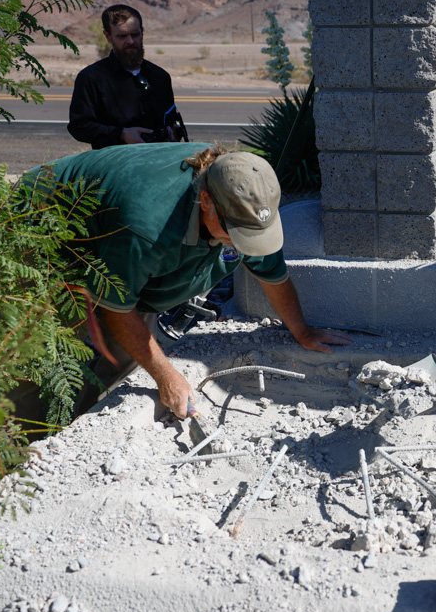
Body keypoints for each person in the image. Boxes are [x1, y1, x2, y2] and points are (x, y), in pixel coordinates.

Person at [25, 142, 352, 419]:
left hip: (118, 248)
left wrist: (303, 332)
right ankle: (10, 455)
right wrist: (166, 375)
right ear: (206, 202)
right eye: (235, 235)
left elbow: (273, 277)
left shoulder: (246, 204)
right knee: (43, 355)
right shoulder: (146, 227)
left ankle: (82, 420)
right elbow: (118, 309)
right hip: (42, 229)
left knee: (125, 356)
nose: (243, 246)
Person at [68, 4, 180, 149]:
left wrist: (173, 134)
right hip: (113, 165)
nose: (131, 42)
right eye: (122, 36)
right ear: (108, 36)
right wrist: (121, 134)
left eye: (135, 34)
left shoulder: (160, 77)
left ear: (142, 33)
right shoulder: (91, 77)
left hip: (158, 162)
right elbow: (79, 126)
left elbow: (170, 121)